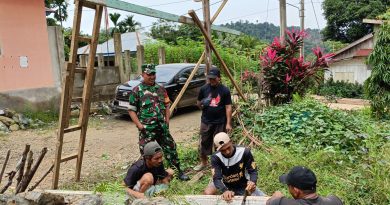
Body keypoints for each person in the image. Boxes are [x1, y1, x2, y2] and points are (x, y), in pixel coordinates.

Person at [128, 64, 189, 181]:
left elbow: (167, 105)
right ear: (142, 75)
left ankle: (177, 171)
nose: (152, 76)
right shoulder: (137, 91)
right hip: (147, 130)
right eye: (149, 74)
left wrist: (167, 121)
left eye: (153, 74)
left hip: (162, 127)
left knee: (171, 148)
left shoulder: (161, 89)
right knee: (148, 154)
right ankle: (151, 176)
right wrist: (140, 126)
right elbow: (131, 110)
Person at [204, 132, 265, 202]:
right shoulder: (216, 157)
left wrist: (252, 181)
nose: (227, 152)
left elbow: (253, 170)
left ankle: (242, 192)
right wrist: (224, 190)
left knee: (260, 200)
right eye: (223, 150)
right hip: (224, 182)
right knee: (207, 193)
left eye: (228, 148)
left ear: (231, 142)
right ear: (217, 149)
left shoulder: (244, 152)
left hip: (242, 183)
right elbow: (216, 178)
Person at [194, 68, 232, 171]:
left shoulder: (225, 90)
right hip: (206, 121)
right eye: (210, 79)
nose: (211, 81)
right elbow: (198, 103)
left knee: (220, 143)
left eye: (213, 79)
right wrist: (202, 104)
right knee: (204, 142)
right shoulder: (204, 89)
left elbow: (228, 107)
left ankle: (219, 164)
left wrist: (228, 123)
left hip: (220, 122)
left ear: (219, 78)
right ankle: (204, 163)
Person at [267, 166, 343, 205]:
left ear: (296, 191)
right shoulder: (335, 201)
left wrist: (278, 196)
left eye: (289, 186)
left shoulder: (282, 203)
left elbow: (270, 202)